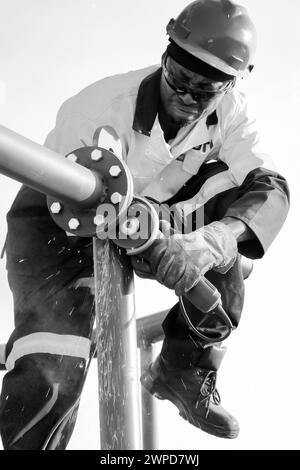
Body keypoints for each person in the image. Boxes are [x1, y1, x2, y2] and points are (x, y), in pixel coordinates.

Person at [0, 0, 289, 449]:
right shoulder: (98, 108)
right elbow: (93, 206)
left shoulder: (233, 115)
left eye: (204, 90)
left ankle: (183, 369)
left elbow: (271, 187)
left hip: (149, 212)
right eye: (179, 78)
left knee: (233, 228)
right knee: (56, 360)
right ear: (165, 56)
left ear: (228, 87)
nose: (186, 97)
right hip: (62, 218)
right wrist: (155, 246)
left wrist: (212, 242)